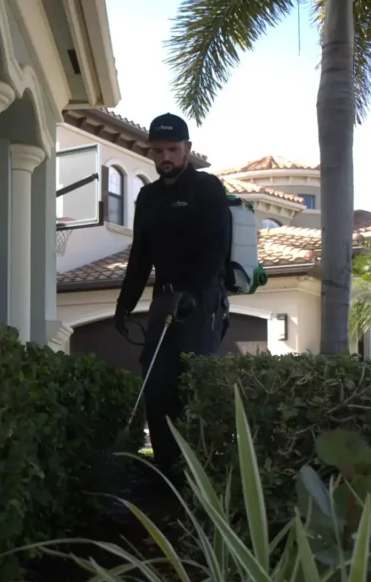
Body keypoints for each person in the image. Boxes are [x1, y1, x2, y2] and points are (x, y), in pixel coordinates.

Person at [113, 112, 231, 486]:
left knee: (193, 384)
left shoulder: (207, 189)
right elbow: (140, 255)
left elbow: (217, 247)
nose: (165, 157)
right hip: (163, 301)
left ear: (187, 150)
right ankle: (166, 474)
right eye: (158, 150)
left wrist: (194, 295)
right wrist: (124, 304)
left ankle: (200, 474)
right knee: (157, 385)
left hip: (201, 300)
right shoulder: (147, 197)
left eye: (172, 149)